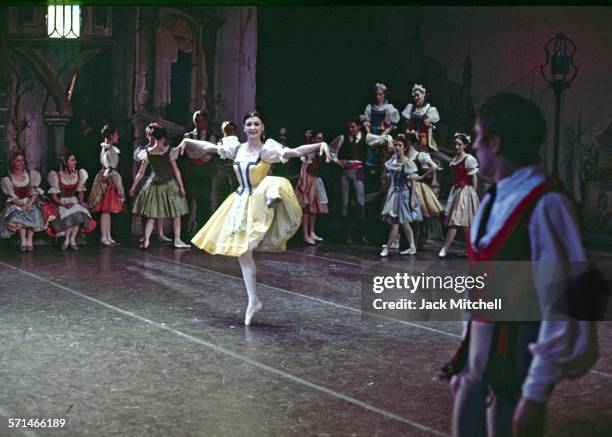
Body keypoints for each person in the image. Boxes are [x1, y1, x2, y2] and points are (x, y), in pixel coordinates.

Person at [442, 93, 598, 437]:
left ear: (495, 143)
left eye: (478, 136)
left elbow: (566, 299)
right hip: (480, 359)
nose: (475, 145)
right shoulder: (494, 198)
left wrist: (536, 392)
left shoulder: (547, 204)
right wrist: (466, 352)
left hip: (516, 361)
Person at [178, 110, 331, 326]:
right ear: (244, 128)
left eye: (256, 124)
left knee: (272, 186)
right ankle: (253, 300)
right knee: (243, 253)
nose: (252, 128)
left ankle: (273, 200)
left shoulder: (267, 149)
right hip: (241, 201)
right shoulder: (237, 148)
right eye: (249, 124)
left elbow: (295, 152)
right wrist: (188, 141)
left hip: (259, 195)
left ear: (262, 128)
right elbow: (210, 147)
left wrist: (319, 146)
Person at [129, 123, 190, 249]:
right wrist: (182, 187)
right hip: (169, 184)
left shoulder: (147, 152)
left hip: (155, 184)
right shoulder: (169, 151)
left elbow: (140, 172)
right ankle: (177, 240)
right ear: (163, 138)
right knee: (176, 214)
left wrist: (134, 187)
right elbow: (176, 170)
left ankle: (146, 240)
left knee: (152, 215)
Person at [379, 135, 422, 257]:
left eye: (400, 145)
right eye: (396, 145)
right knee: (402, 222)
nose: (397, 147)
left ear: (405, 148)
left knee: (398, 222)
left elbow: (413, 181)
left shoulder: (407, 163)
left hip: (403, 194)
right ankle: (412, 246)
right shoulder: (392, 161)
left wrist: (412, 198)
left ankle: (387, 248)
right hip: (393, 193)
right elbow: (388, 176)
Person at [439, 133, 479, 258]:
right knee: (463, 223)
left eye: (459, 144)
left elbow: (473, 179)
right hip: (456, 191)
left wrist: (472, 194)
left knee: (458, 222)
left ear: (465, 145)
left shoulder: (468, 159)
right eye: (455, 144)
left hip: (466, 191)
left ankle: (445, 248)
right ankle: (470, 248)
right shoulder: (454, 159)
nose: (456, 146)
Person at [47, 151, 96, 250]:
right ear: (66, 162)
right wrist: (63, 204)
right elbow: (54, 196)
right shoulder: (57, 176)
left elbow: (80, 192)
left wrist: (82, 203)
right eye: (72, 160)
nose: (75, 162)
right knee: (70, 214)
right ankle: (67, 240)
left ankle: (72, 239)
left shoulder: (79, 174)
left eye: (74, 160)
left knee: (78, 213)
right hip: (61, 202)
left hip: (74, 201)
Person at [0, 152, 48, 251]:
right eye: (18, 161)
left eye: (22, 160)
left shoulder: (30, 175)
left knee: (34, 211)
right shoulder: (8, 179)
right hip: (16, 203)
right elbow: (12, 197)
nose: (21, 163)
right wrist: (21, 205)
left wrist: (28, 204)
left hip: (30, 201)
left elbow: (34, 193)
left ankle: (29, 240)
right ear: (12, 163)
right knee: (18, 213)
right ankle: (23, 240)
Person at [133, 123, 172, 243]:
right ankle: (145, 235)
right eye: (150, 135)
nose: (152, 137)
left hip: (159, 180)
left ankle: (160, 232)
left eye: (154, 134)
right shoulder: (143, 149)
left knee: (160, 207)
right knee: (147, 209)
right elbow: (138, 160)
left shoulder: (161, 148)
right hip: (147, 181)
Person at [88, 124, 125, 246]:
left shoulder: (109, 149)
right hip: (107, 181)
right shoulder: (109, 151)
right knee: (105, 210)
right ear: (110, 136)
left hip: (108, 179)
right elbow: (110, 171)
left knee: (108, 211)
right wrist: (118, 187)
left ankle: (108, 236)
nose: (117, 137)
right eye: (116, 134)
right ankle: (104, 237)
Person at [406, 130, 444, 247]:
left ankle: (417, 240)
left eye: (408, 141)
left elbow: (434, 166)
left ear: (410, 142)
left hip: (417, 186)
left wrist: (422, 176)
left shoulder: (419, 155)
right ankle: (408, 241)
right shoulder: (405, 155)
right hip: (406, 185)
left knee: (417, 214)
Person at [361, 82, 400, 194]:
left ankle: (382, 186)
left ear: (384, 95)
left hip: (383, 134)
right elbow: (367, 123)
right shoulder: (370, 107)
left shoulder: (388, 108)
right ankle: (370, 186)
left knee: (383, 158)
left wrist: (382, 137)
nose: (378, 97)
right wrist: (370, 135)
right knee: (370, 158)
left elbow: (390, 126)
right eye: (376, 94)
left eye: (380, 94)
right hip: (372, 134)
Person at [336, 118, 369, 245]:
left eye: (353, 127)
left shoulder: (365, 137)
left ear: (359, 127)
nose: (351, 129)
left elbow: (379, 140)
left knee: (361, 203)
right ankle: (347, 236)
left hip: (358, 172)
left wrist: (388, 140)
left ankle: (362, 235)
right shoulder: (343, 138)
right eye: (349, 127)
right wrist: (337, 161)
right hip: (346, 173)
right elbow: (331, 150)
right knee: (344, 203)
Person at [183, 110, 215, 233]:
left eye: (201, 120)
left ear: (205, 122)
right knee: (188, 201)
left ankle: (202, 231)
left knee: (204, 201)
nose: (199, 123)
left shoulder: (211, 136)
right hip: (192, 171)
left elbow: (209, 156)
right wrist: (202, 152)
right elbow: (190, 154)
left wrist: (199, 153)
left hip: (205, 172)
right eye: (197, 120)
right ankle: (185, 231)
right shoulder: (187, 136)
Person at [295, 130, 329, 244]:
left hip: (314, 179)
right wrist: (304, 184)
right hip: (307, 180)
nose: (321, 141)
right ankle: (305, 234)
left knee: (314, 209)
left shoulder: (319, 152)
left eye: (322, 138)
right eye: (319, 138)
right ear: (314, 139)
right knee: (306, 210)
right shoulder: (308, 152)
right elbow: (303, 168)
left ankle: (312, 232)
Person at [401, 84, 441, 152]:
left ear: (423, 94)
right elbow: (408, 124)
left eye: (417, 95)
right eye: (414, 96)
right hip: (411, 137)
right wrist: (408, 132)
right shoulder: (411, 108)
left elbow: (429, 127)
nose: (416, 98)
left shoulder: (429, 110)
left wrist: (429, 144)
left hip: (423, 138)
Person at [210, 121, 238, 211]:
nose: (230, 132)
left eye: (233, 130)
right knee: (218, 202)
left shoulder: (238, 145)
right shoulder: (219, 143)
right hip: (221, 174)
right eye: (228, 130)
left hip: (233, 175)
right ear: (223, 130)